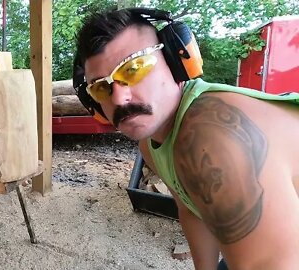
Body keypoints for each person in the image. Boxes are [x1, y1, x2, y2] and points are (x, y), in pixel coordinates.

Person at [73, 7, 299, 270]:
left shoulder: (215, 137)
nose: (119, 98)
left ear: (175, 61)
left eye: (134, 69)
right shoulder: (151, 145)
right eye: (102, 87)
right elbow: (192, 211)